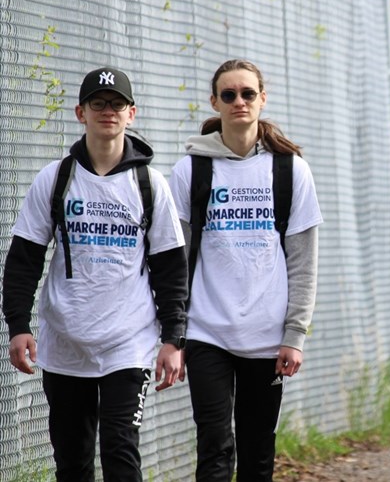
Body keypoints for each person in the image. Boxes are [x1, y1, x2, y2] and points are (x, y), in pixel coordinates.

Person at [1, 66, 189, 481]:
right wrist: (18, 325)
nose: (108, 111)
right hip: (65, 341)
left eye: (117, 104)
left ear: (131, 113)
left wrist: (174, 338)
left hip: (129, 342)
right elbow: (24, 260)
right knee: (73, 461)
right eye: (98, 103)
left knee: (121, 453)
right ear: (80, 112)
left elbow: (171, 268)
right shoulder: (56, 179)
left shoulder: (150, 184)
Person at [168, 59, 323, 481]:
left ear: (262, 99)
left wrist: (295, 336)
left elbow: (303, 262)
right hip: (206, 331)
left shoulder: (290, 169)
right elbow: (175, 261)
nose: (239, 102)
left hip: (267, 336)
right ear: (215, 101)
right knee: (214, 446)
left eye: (247, 93)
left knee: (258, 450)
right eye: (229, 94)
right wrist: (174, 333)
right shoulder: (191, 169)